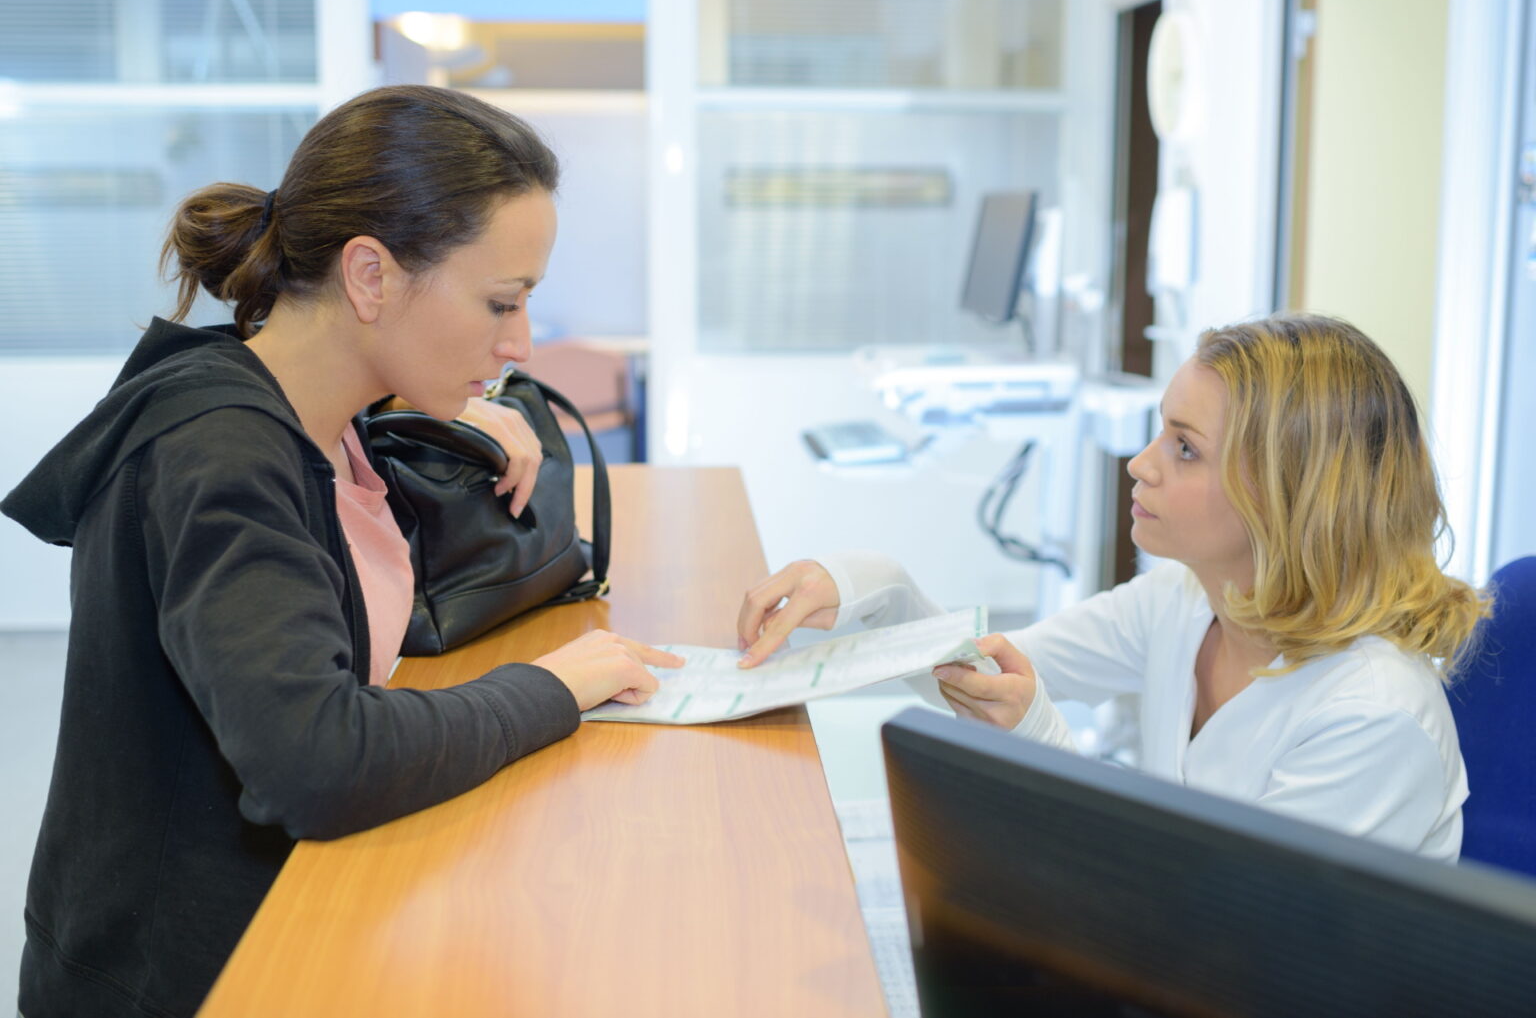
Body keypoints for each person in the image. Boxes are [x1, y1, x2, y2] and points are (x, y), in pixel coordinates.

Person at [1, 85, 679, 1018]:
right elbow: (314, 760)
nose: (520, 344)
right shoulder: (221, 452)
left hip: (276, 913)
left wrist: (443, 414)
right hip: (180, 978)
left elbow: (354, 595)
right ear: (370, 277)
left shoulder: (320, 409)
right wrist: (555, 690)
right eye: (499, 302)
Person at [737, 314, 1486, 861]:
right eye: (1163, 432)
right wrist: (879, 586)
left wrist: (1040, 736)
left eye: (1185, 449)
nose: (1141, 463)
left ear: (1292, 497)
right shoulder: (1189, 601)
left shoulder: (1374, 715)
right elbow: (985, 676)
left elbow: (1225, 944)